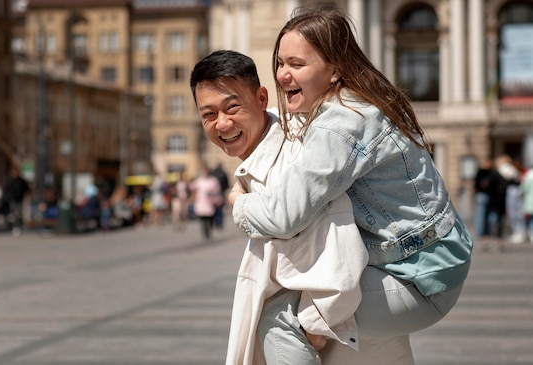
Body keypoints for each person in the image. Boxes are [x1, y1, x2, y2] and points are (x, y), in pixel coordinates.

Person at [227, 7, 473, 364]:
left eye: (297, 64)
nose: (282, 74)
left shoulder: (339, 125)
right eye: (280, 63)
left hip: (418, 279)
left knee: (281, 317)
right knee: (323, 315)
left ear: (335, 69)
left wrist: (238, 202)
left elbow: (285, 216)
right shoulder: (354, 103)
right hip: (431, 260)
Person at [191, 50, 383, 364]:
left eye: (232, 107)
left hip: (336, 339)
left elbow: (341, 249)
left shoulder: (296, 160)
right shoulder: (271, 154)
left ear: (261, 97)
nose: (222, 123)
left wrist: (312, 326)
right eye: (208, 114)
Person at [188, 164, 222, 240]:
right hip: (201, 201)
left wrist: (213, 193)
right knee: (202, 218)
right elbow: (192, 187)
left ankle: (209, 230)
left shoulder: (213, 180)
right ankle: (205, 232)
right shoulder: (199, 180)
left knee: (210, 217)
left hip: (210, 201)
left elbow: (217, 189)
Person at [3, 167, 30, 236]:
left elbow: (27, 189)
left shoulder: (22, 181)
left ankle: (18, 226)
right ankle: (13, 227)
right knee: (13, 214)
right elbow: (6, 190)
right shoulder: (10, 181)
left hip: (20, 199)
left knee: (19, 214)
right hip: (12, 199)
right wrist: (8, 197)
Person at [210, 163, 229, 228]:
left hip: (213, 193)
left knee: (213, 208)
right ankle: (220, 222)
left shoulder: (212, 173)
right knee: (220, 208)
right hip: (221, 192)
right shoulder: (223, 173)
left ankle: (214, 222)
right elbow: (227, 184)